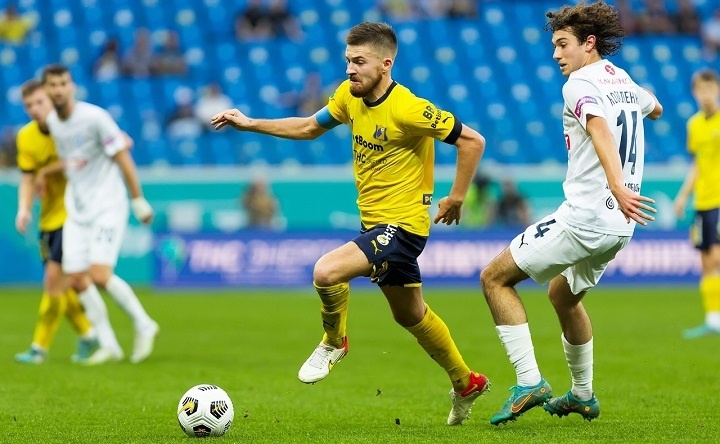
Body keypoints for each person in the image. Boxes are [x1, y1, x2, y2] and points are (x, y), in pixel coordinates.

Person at [212, 22, 488, 425]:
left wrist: (457, 196)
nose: (349, 70)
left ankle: (334, 341)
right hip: (375, 226)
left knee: (327, 272)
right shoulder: (348, 95)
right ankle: (466, 381)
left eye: (359, 62)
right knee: (410, 315)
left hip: (404, 226)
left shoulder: (409, 108)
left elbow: (472, 141)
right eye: (347, 61)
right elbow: (309, 127)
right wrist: (251, 123)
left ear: (386, 64)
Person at [479, 2, 662, 426]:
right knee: (563, 295)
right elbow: (656, 109)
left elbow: (598, 128)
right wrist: (634, 108)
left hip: (586, 217)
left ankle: (529, 381)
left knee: (494, 278)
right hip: (620, 225)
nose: (556, 54)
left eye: (563, 44)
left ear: (589, 43)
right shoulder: (623, 79)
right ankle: (582, 394)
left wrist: (616, 184)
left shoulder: (578, 84)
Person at [42, 64, 159, 365]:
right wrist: (45, 172)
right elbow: (74, 160)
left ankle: (144, 324)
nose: (58, 89)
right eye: (52, 85)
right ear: (47, 90)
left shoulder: (95, 117)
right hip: (77, 208)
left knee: (99, 275)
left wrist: (138, 200)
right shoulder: (54, 121)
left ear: (72, 87)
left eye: (63, 83)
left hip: (107, 204)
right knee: (76, 278)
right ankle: (109, 346)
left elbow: (122, 156)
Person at [14, 80, 99, 364]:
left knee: (53, 281)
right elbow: (27, 177)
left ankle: (39, 348)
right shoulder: (26, 137)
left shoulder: (70, 127)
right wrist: (24, 209)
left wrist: (46, 171)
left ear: (51, 100)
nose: (34, 109)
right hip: (48, 219)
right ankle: (89, 334)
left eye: (40, 102)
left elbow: (81, 158)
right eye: (29, 105)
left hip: (75, 214)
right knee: (65, 284)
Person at [673, 69, 720, 339]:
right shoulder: (694, 125)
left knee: (716, 256)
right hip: (702, 202)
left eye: (710, 90)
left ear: (717, 91)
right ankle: (713, 319)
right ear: (694, 93)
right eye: (701, 91)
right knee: (706, 261)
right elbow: (697, 165)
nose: (706, 95)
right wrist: (683, 196)